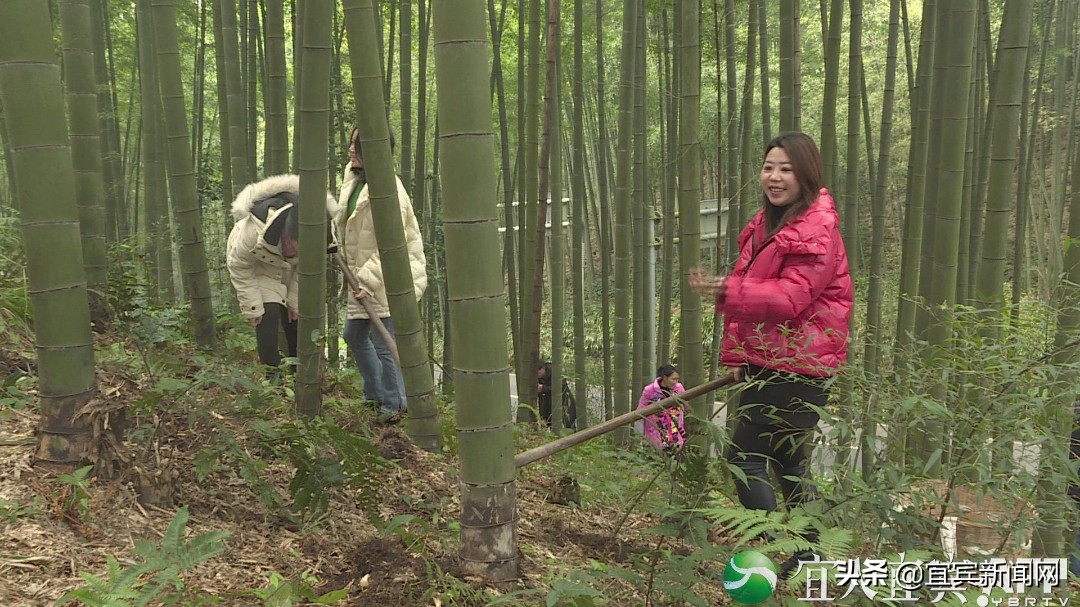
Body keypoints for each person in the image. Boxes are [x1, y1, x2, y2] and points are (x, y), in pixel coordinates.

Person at [690, 131, 853, 579]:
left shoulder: (815, 230)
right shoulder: (769, 224)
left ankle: (780, 547)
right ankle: (809, 552)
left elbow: (792, 299)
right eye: (769, 167)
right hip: (779, 360)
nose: (775, 177)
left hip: (798, 363)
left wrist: (728, 289)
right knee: (788, 460)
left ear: (806, 175)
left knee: (744, 456)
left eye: (786, 169)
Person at [336, 126, 426, 418]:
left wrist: (368, 281)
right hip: (361, 276)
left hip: (389, 277)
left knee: (385, 341)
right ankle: (375, 395)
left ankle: (395, 405)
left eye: (356, 145)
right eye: (351, 143)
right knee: (354, 335)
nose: (350, 149)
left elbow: (392, 244)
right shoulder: (355, 181)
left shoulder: (389, 190)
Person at [227, 174, 338, 381]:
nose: (297, 249)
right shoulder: (254, 230)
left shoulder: (317, 233)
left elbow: (303, 270)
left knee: (297, 319)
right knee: (267, 313)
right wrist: (252, 306)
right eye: (296, 244)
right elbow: (239, 265)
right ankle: (273, 379)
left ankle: (301, 376)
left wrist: (294, 302)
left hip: (289, 272)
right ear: (287, 233)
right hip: (260, 269)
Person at [637, 364, 687, 451]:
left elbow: (686, 406)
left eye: (677, 379)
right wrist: (639, 437)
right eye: (673, 379)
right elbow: (640, 413)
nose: (676, 382)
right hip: (656, 434)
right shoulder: (650, 390)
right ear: (664, 377)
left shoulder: (679, 388)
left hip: (675, 433)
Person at [537, 361, 577, 429]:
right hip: (548, 406)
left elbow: (561, 389)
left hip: (564, 403)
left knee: (569, 426)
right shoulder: (539, 378)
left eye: (537, 372)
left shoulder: (555, 372)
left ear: (543, 369)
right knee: (548, 426)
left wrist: (543, 388)